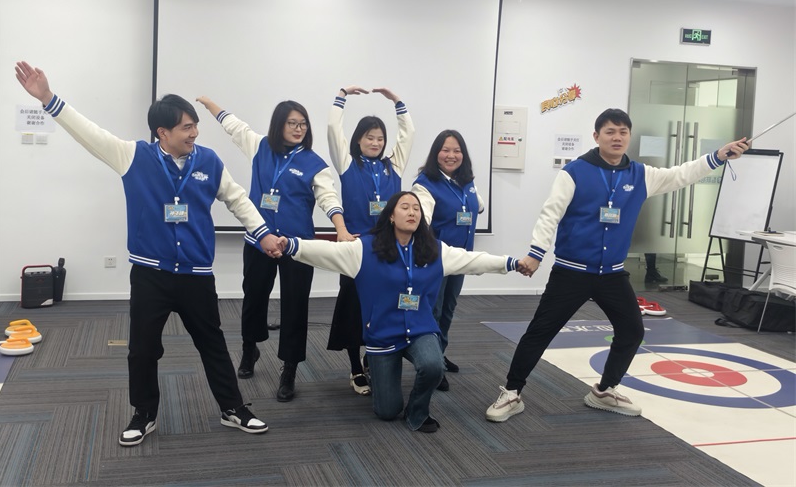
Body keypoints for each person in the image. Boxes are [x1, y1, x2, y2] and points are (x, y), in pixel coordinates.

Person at [14, 61, 276, 447]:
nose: (194, 133)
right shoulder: (132, 156)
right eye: (186, 127)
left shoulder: (209, 161)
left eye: (195, 125)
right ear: (162, 132)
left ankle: (233, 407)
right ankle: (144, 413)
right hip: (151, 274)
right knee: (142, 350)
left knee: (213, 344)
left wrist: (263, 233)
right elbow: (89, 133)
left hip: (196, 275)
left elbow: (238, 199)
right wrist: (48, 99)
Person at [486, 108, 749, 422]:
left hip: (611, 275)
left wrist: (717, 157)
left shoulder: (640, 174)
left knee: (632, 330)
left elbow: (680, 175)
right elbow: (550, 214)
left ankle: (604, 390)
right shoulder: (574, 172)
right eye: (610, 131)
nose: (617, 137)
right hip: (572, 272)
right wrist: (536, 253)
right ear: (596, 136)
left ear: (629, 137)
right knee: (540, 332)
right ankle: (512, 392)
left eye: (623, 132)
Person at [277, 192, 524, 432]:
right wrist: (292, 245)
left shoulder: (435, 250)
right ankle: (380, 376)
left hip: (420, 330)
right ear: (391, 216)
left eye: (416, 209)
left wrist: (511, 263)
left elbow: (474, 260)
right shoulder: (365, 249)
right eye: (405, 207)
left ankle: (417, 410)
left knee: (434, 366)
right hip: (383, 336)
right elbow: (326, 252)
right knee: (387, 411)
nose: (412, 212)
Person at [196, 96, 352, 402]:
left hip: (297, 246)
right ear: (279, 125)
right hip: (260, 241)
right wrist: (210, 104)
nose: (298, 128)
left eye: (303, 124)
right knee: (254, 298)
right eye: (292, 123)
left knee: (295, 306)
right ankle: (249, 348)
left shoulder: (315, 164)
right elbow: (233, 125)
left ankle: (289, 368)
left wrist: (341, 229)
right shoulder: (260, 147)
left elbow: (329, 199)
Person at [325, 85, 415, 396]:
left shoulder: (394, 166)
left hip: (388, 250)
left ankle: (371, 358)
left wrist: (398, 103)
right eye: (369, 138)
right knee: (353, 308)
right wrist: (341, 96)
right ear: (358, 140)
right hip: (355, 250)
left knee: (383, 308)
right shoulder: (348, 164)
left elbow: (408, 134)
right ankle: (354, 367)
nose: (375, 143)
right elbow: (332, 128)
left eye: (380, 138)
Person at [412, 130, 484, 390]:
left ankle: (439, 353)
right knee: (434, 310)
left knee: (449, 309)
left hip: (461, 259)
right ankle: (432, 364)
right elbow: (423, 219)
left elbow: (478, 206)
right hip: (437, 261)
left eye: (457, 150)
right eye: (445, 150)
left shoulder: (467, 181)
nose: (451, 155)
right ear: (436, 153)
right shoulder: (424, 184)